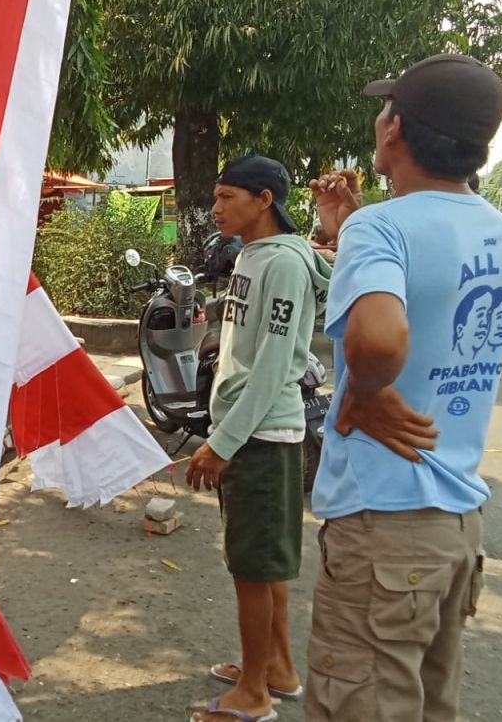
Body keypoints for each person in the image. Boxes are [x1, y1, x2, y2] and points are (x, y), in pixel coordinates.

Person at [305, 54, 502, 721]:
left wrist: (365, 391)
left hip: (385, 527)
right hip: (455, 524)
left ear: (396, 129)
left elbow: (378, 339)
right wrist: (349, 230)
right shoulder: (499, 231)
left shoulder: (385, 228)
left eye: (384, 110)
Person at [186, 155, 331, 722]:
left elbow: (274, 365)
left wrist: (223, 443)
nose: (216, 207)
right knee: (263, 564)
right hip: (249, 429)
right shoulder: (254, 254)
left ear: (264, 199)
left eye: (228, 197)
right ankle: (276, 669)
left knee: (252, 568)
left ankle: (252, 695)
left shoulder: (286, 266)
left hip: (263, 436)